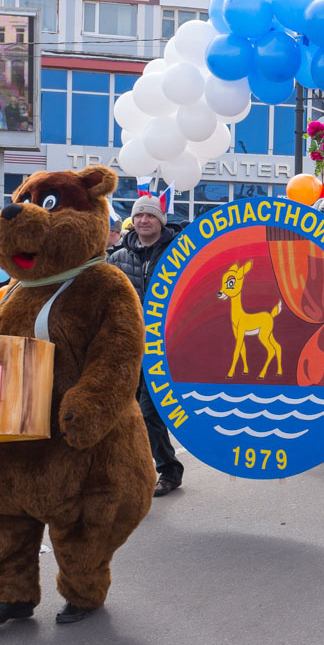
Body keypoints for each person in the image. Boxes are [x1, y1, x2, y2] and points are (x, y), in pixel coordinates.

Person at [107, 195, 184, 497]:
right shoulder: (117, 258)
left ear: (160, 220)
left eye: (150, 216)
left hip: (167, 347)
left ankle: (167, 469)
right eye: (139, 215)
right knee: (127, 413)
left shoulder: (179, 251)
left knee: (149, 411)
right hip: (129, 346)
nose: (143, 220)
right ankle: (140, 470)